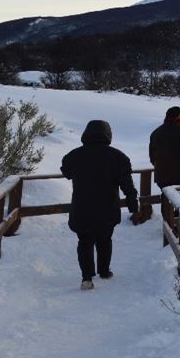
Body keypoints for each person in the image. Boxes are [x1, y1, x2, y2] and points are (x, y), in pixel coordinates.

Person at [60, 120, 140, 290]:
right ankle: (104, 271)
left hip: (82, 207)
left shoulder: (74, 155)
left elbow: (66, 172)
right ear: (108, 134)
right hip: (107, 207)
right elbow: (127, 184)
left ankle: (87, 278)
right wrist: (133, 203)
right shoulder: (118, 157)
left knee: (84, 241)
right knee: (105, 239)